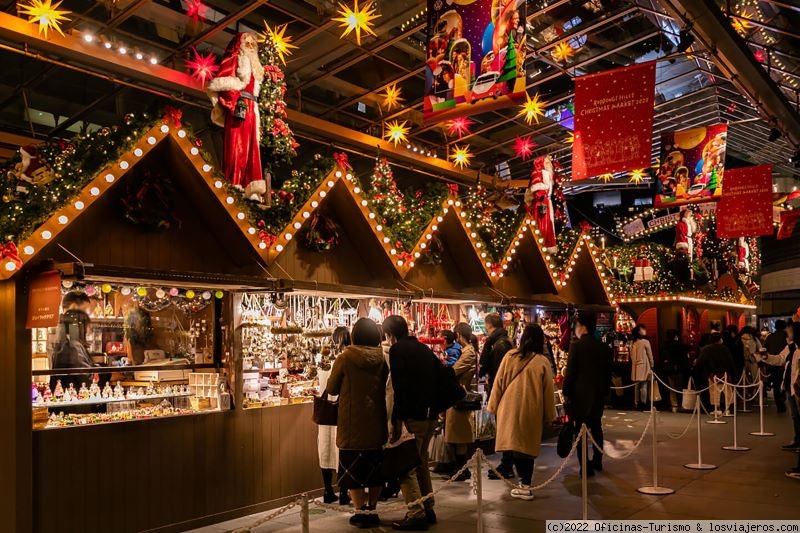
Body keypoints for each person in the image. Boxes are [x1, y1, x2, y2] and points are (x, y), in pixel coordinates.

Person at [326, 318, 388, 529]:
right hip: (377, 420)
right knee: (374, 468)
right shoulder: (382, 359)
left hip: (352, 423)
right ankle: (372, 508)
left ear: (354, 335)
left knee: (354, 469)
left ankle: (360, 511)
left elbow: (332, 388)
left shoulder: (345, 358)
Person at [383, 315, 440, 531]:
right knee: (421, 463)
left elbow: (400, 389)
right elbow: (441, 376)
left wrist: (397, 420)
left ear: (390, 335)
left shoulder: (398, 351)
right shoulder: (423, 348)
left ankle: (416, 514)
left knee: (405, 467)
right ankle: (428, 507)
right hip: (430, 415)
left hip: (413, 417)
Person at [487, 324, 556, 500]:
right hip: (530, 409)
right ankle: (525, 484)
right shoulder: (542, 362)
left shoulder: (510, 356)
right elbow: (548, 391)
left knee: (514, 444)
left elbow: (498, 383)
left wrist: (492, 406)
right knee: (526, 447)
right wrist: (550, 415)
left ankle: (522, 484)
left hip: (508, 408)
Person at [207, 32, 267, 201]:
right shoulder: (235, 59)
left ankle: (251, 187)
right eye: (247, 42)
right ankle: (234, 184)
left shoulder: (256, 67)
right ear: (239, 44)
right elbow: (224, 83)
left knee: (251, 149)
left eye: (253, 44)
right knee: (236, 146)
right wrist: (235, 102)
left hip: (252, 109)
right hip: (239, 106)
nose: (250, 46)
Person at [562, 312, 613, 477]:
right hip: (597, 395)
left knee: (580, 431)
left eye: (576, 326)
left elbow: (570, 373)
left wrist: (566, 392)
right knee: (597, 428)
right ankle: (597, 460)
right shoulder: (603, 348)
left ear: (582, 326)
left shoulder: (576, 346)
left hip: (580, 396)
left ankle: (585, 466)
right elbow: (607, 374)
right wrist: (605, 392)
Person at [317, 327, 351, 505]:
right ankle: (344, 492)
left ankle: (327, 490)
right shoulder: (346, 358)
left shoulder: (324, 359)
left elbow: (322, 384)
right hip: (341, 409)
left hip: (325, 411)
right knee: (341, 450)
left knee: (325, 447)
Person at [478, 313, 514, 479]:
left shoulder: (497, 345)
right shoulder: (506, 342)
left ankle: (507, 464)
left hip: (502, 392)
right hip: (507, 391)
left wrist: (486, 346)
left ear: (489, 326)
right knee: (505, 426)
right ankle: (507, 463)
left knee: (504, 426)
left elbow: (487, 368)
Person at [759, 321, 800, 451]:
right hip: (789, 384)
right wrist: (766, 357)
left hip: (797, 386)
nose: (787, 332)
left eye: (790, 330)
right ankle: (797, 439)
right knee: (795, 415)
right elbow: (780, 359)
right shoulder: (791, 347)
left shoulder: (796, 348)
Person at [444, 323, 478, 482]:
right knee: (455, 435)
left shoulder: (469, 353)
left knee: (459, 435)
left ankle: (461, 469)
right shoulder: (464, 351)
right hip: (455, 396)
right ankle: (460, 469)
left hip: (459, 397)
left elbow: (454, 370)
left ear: (459, 334)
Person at [51, 291, 96, 392]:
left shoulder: (63, 334)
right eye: (85, 311)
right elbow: (83, 376)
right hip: (74, 398)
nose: (87, 315)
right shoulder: (71, 343)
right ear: (74, 307)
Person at [693, 333, 736, 414]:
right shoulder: (725, 348)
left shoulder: (706, 349)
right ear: (720, 340)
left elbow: (700, 362)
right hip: (725, 373)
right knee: (727, 391)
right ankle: (728, 408)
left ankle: (717, 408)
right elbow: (731, 362)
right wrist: (734, 374)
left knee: (714, 392)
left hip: (712, 373)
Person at [659, 329, 690, 412]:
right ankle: (680, 404)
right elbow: (687, 349)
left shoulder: (665, 345)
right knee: (679, 387)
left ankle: (674, 405)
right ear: (676, 336)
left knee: (672, 387)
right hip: (679, 369)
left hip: (669, 369)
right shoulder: (680, 345)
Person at [765, 320, 789, 413]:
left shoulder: (770, 337)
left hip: (773, 364)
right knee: (785, 383)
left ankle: (779, 405)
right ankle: (783, 398)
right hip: (785, 364)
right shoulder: (787, 337)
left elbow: (765, 349)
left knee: (776, 385)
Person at [630, 325, 654, 411]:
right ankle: (643, 403)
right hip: (644, 366)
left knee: (636, 386)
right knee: (644, 385)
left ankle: (636, 403)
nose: (644, 330)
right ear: (639, 332)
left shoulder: (632, 343)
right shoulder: (645, 342)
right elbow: (650, 355)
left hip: (635, 366)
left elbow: (631, 356)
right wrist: (652, 364)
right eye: (642, 329)